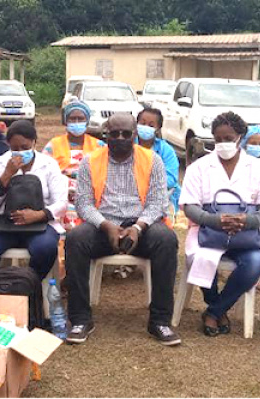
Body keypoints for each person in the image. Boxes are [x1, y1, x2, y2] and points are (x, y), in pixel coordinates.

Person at [65, 112, 180, 346]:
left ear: (134, 135)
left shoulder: (152, 159)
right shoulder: (90, 160)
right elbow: (83, 203)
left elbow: (158, 202)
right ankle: (80, 319)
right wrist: (106, 225)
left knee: (166, 240)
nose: (120, 138)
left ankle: (160, 321)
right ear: (105, 135)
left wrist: (138, 227)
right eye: (114, 133)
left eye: (126, 134)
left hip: (142, 225)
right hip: (103, 225)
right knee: (76, 238)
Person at [179, 112, 260, 337]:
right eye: (218, 139)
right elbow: (189, 206)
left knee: (255, 262)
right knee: (201, 258)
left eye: (228, 138)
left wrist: (247, 221)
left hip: (247, 235)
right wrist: (214, 221)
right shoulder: (199, 167)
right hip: (207, 232)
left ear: (240, 137)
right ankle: (217, 308)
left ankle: (214, 311)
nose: (223, 144)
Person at [0, 120, 68, 279]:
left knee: (45, 248)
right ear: (8, 145)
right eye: (14, 148)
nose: (20, 152)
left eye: (25, 147)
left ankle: (29, 285)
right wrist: (7, 175)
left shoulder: (48, 164)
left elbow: (61, 203)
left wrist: (39, 215)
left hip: (39, 223)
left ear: (34, 143)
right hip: (4, 223)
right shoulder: (2, 162)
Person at [43, 101, 104, 228]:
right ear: (66, 121)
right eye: (72, 119)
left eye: (80, 119)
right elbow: (44, 173)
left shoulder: (100, 146)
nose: (76, 122)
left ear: (87, 121)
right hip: (61, 194)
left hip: (91, 194)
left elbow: (106, 174)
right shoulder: (53, 145)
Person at [136, 107, 181, 214]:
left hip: (160, 194)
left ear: (158, 128)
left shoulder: (166, 150)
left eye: (151, 125)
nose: (146, 127)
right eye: (142, 123)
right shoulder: (128, 146)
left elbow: (171, 179)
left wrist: (146, 186)